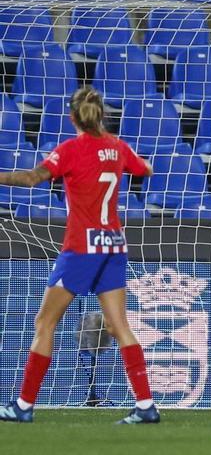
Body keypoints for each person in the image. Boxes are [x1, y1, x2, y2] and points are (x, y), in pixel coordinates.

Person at [0, 87, 156, 424]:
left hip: (81, 248)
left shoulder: (69, 150)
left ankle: (24, 405)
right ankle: (146, 406)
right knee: (121, 326)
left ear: (72, 117)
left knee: (45, 322)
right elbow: (145, 170)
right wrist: (137, 163)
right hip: (113, 244)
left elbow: (31, 178)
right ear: (101, 115)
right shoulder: (117, 147)